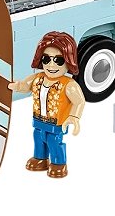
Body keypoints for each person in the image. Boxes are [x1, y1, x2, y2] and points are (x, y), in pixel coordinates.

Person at [8, 31, 85, 178]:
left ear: (68, 61)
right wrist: (15, 86)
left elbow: (79, 101)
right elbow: (24, 86)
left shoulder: (68, 84)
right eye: (46, 59)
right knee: (38, 137)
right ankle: (40, 159)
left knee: (54, 141)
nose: (51, 64)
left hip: (56, 124)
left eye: (58, 60)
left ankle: (59, 163)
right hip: (39, 121)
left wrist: (74, 117)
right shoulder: (38, 78)